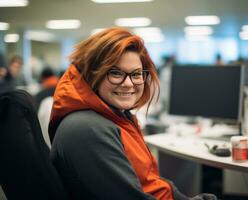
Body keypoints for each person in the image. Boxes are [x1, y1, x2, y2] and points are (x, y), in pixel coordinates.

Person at [49, 28, 217, 200]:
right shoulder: (88, 129)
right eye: (115, 73)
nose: (128, 84)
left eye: (136, 74)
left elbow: (149, 181)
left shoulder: (116, 116)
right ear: (92, 75)